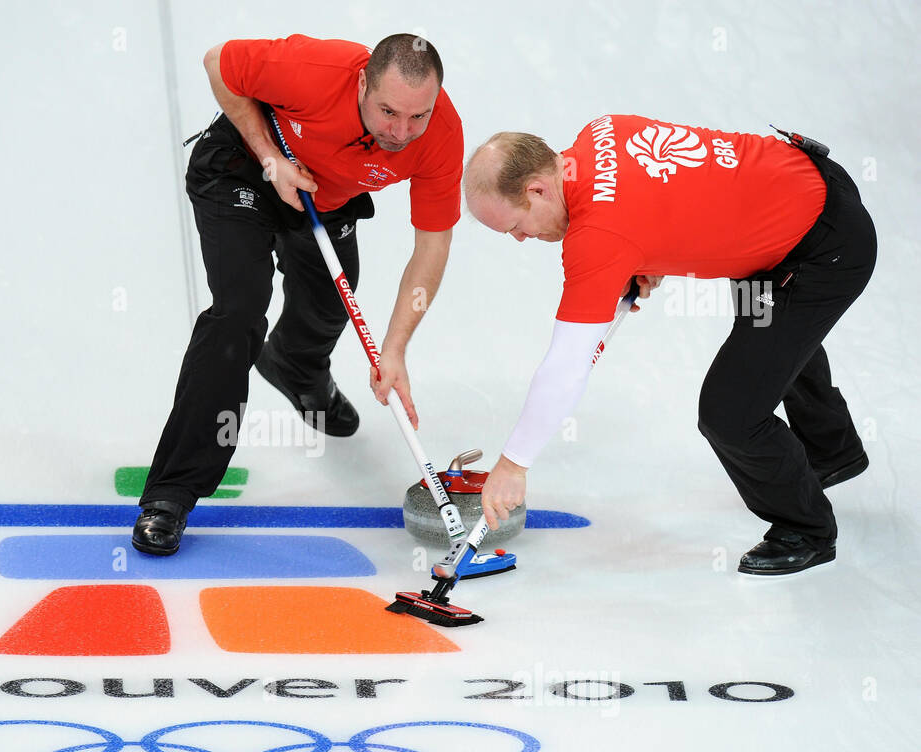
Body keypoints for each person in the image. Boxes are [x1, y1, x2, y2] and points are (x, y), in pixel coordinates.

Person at [462, 116, 875, 575]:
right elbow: (673, 190)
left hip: (822, 253)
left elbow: (566, 365)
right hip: (809, 190)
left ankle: (808, 530)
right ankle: (832, 451)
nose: (521, 239)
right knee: (773, 339)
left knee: (730, 412)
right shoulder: (600, 131)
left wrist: (512, 464)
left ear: (537, 189)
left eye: (515, 226)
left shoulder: (597, 239)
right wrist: (649, 250)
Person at [132, 33, 464, 555]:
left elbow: (433, 245)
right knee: (239, 314)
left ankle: (294, 366)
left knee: (331, 301)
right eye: (388, 112)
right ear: (362, 83)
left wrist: (395, 348)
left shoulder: (440, 134)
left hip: (323, 194)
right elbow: (218, 63)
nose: (402, 132)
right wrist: (270, 157)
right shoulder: (313, 68)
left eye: (417, 116)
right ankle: (172, 492)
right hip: (246, 170)